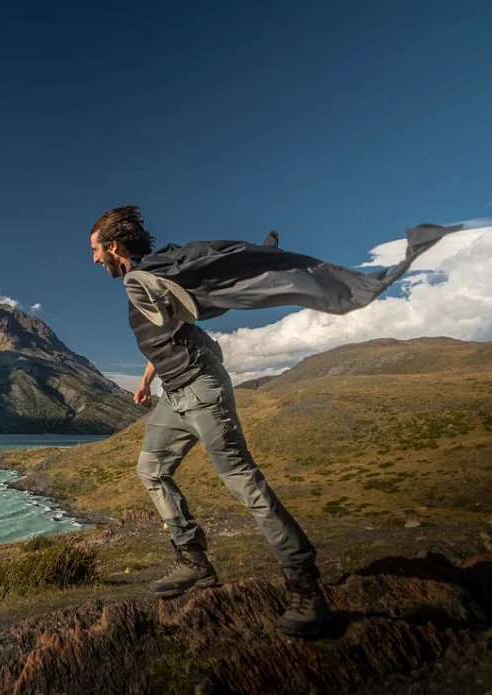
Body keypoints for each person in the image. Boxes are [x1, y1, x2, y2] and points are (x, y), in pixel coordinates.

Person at [89, 205, 330, 637]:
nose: (93, 260)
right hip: (173, 393)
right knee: (151, 469)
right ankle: (194, 561)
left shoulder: (155, 271)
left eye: (94, 250)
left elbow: (202, 270)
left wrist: (257, 255)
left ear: (112, 246)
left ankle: (304, 582)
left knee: (242, 481)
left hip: (202, 386)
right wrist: (147, 381)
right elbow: (167, 331)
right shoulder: (138, 287)